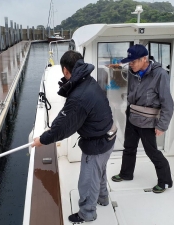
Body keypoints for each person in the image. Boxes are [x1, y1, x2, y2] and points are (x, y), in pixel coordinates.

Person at [31, 50, 116, 223]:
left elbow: (63, 127)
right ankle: (103, 198)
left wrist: (43, 139)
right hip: (108, 137)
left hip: (97, 145)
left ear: (65, 70)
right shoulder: (88, 81)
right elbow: (70, 113)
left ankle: (87, 213)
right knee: (100, 173)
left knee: (87, 181)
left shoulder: (79, 96)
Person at [111, 44, 174, 194]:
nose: (130, 64)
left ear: (144, 59)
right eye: (129, 62)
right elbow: (124, 68)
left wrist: (162, 125)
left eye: (133, 61)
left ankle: (165, 181)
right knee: (129, 147)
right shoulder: (133, 71)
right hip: (132, 116)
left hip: (148, 120)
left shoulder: (160, 74)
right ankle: (126, 174)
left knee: (152, 152)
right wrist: (117, 65)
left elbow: (168, 103)